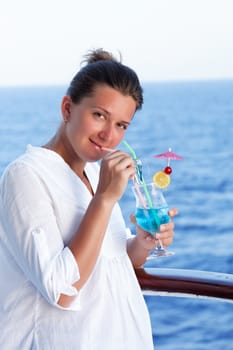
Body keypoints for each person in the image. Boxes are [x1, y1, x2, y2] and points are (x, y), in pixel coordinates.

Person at [0, 49, 177, 349]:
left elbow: (114, 260)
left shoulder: (96, 176)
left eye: (121, 125)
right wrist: (105, 201)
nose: (109, 135)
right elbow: (62, 289)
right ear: (67, 109)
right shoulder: (26, 176)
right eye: (99, 116)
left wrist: (143, 241)